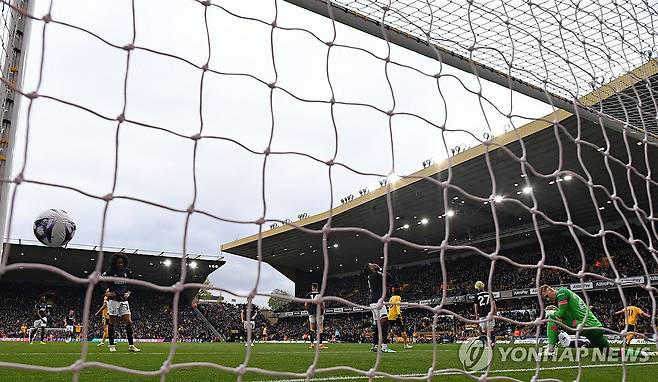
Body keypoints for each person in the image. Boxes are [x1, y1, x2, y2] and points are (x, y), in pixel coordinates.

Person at [102, 253, 140, 352]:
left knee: (129, 322)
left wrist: (129, 292)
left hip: (123, 300)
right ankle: (111, 345)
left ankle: (131, 345)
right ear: (114, 262)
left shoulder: (127, 272)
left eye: (122, 262)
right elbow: (100, 280)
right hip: (113, 300)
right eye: (119, 262)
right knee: (112, 322)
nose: (121, 264)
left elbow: (132, 283)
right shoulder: (110, 271)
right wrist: (106, 292)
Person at [365, 263, 395, 353]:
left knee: (377, 323)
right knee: (384, 321)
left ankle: (374, 345)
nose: (374, 264)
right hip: (378, 300)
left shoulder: (370, 276)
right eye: (371, 264)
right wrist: (380, 269)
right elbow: (389, 278)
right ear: (370, 268)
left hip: (373, 301)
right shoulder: (375, 274)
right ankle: (384, 346)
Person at [474, 281, 496, 346]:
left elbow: (476, 306)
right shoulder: (489, 293)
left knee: (483, 330)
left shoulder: (477, 295)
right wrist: (495, 312)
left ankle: (487, 343)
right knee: (491, 329)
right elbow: (494, 304)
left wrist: (476, 315)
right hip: (490, 314)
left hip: (482, 314)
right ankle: (493, 342)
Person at [305, 282, 327, 349]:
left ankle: (312, 344)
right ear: (317, 287)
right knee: (320, 328)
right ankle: (320, 344)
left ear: (312, 287)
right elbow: (323, 305)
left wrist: (309, 311)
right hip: (318, 312)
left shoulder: (308, 294)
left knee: (312, 329)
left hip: (311, 312)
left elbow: (305, 305)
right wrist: (323, 312)